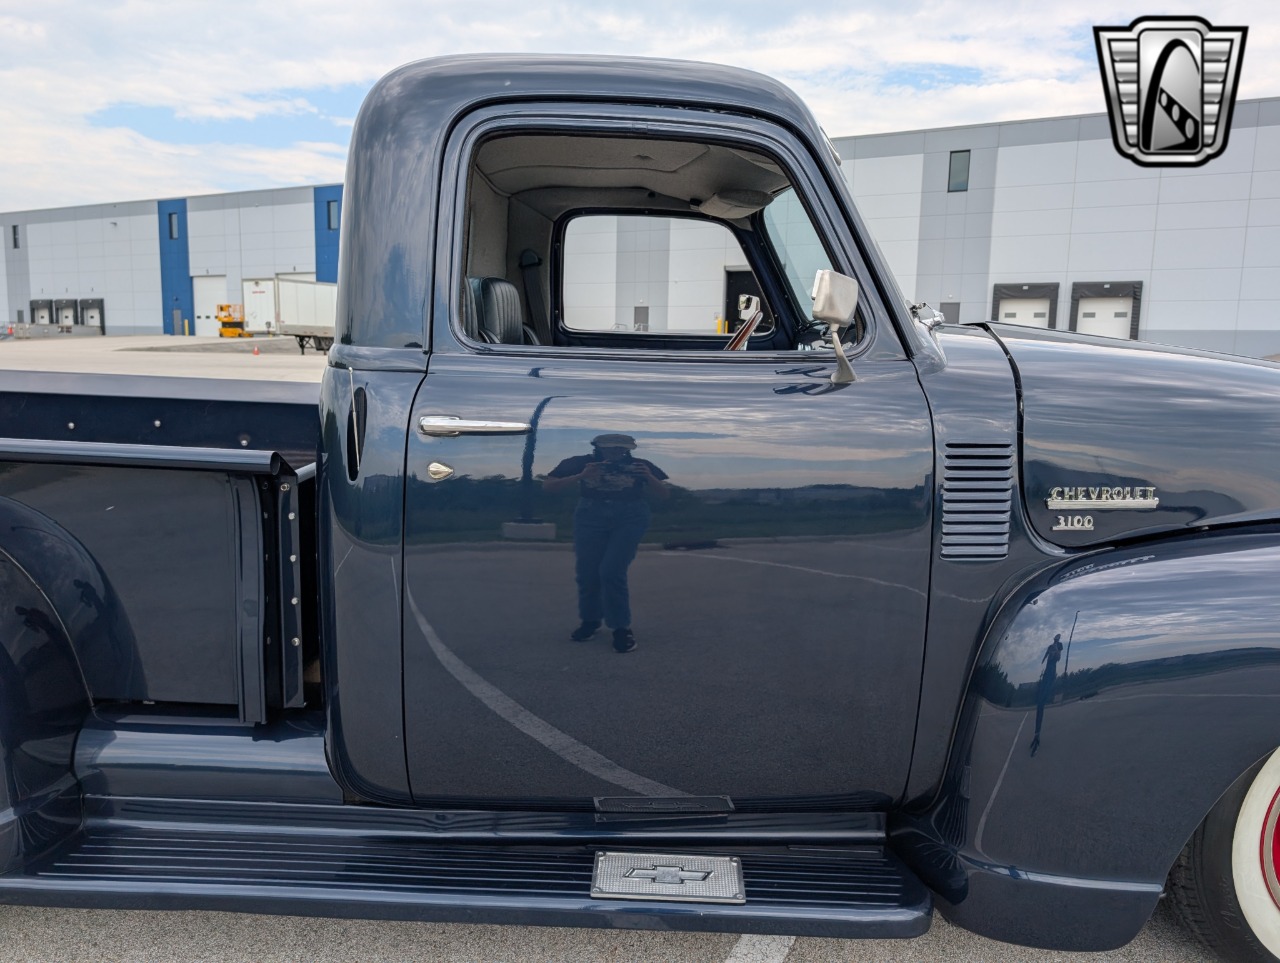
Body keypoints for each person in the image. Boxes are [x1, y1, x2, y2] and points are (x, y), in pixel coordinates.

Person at [543, 434, 669, 653]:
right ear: (598, 448)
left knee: (611, 571)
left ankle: (621, 627)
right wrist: (581, 476)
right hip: (591, 514)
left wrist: (649, 477)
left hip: (630, 515)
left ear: (628, 449)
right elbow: (548, 487)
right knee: (587, 572)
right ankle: (590, 621)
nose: (615, 452)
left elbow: (665, 495)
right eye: (610, 448)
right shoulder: (579, 462)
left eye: (620, 448)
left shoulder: (641, 466)